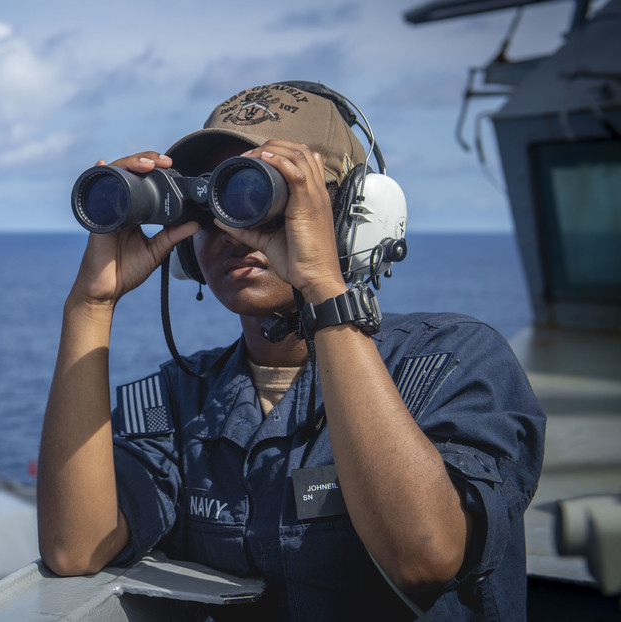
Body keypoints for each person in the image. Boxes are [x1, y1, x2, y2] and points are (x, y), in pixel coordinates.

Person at [37, 81, 546, 620]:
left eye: (259, 196)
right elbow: (76, 549)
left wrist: (323, 285)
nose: (233, 231)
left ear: (351, 219)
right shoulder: (178, 398)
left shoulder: (451, 361)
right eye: (210, 207)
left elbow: (424, 556)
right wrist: (90, 305)